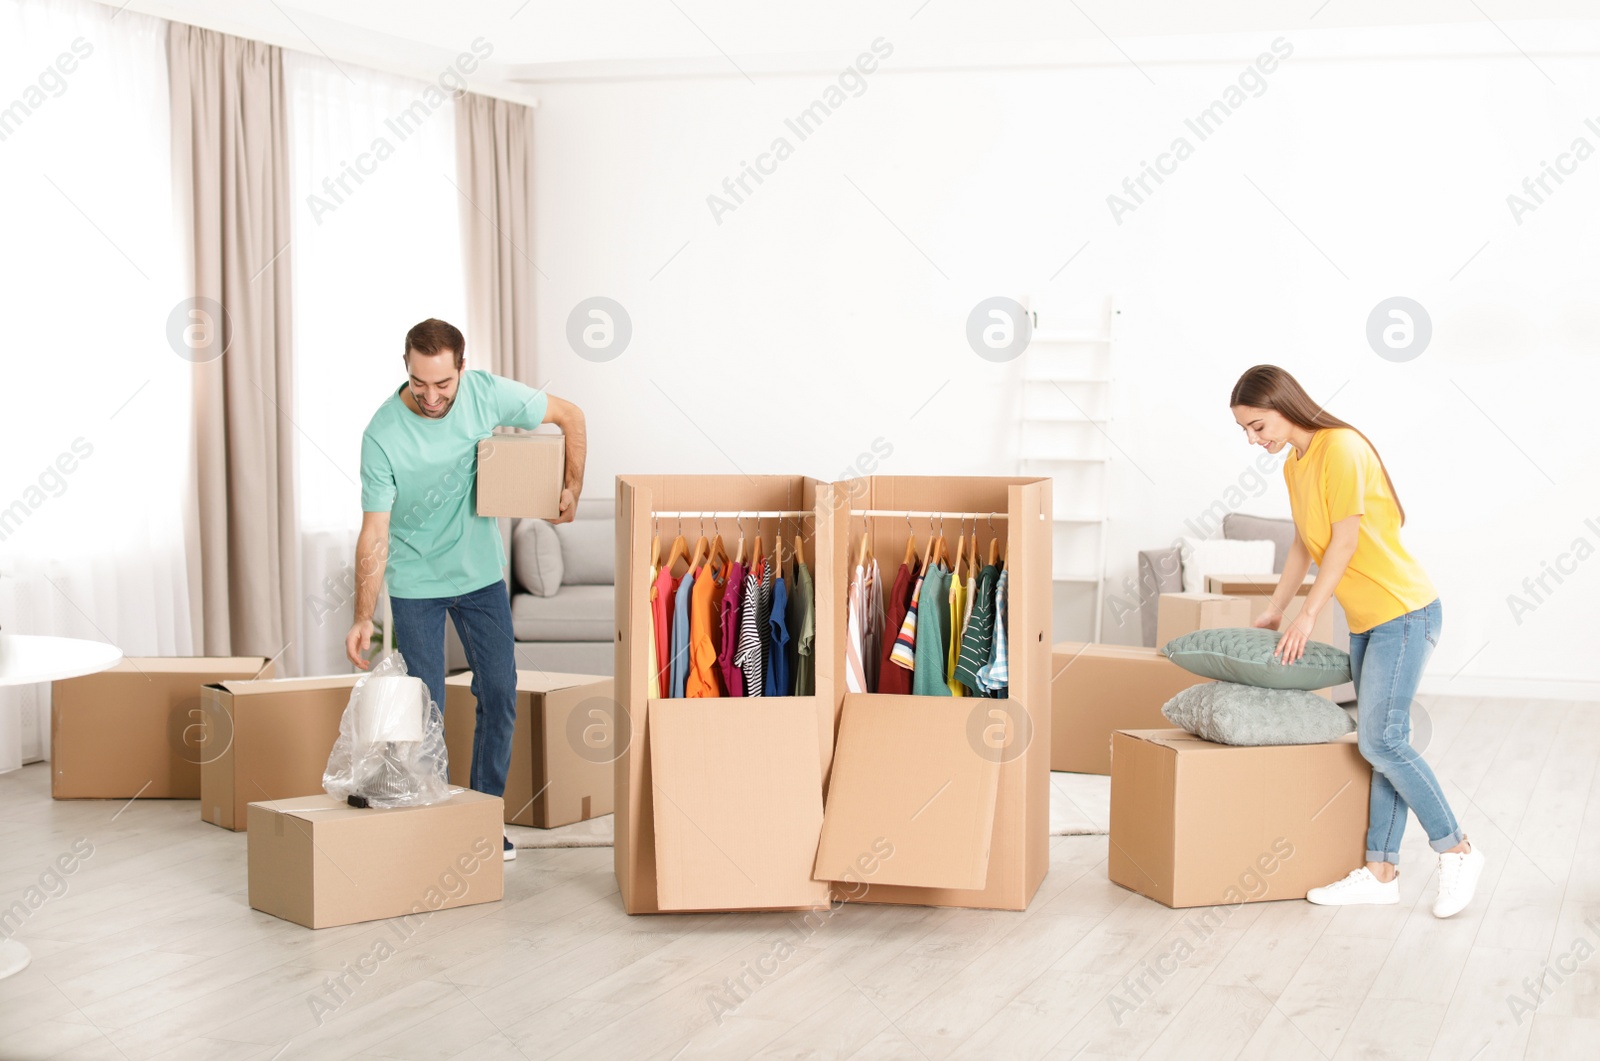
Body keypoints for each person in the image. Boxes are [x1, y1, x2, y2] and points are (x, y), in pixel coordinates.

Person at [1230, 365, 1483, 917]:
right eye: (1246, 432)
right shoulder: (1295, 466)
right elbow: (1305, 542)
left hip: (1404, 612)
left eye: (1256, 425)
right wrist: (1276, 608)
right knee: (1379, 744)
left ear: (1282, 404)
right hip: (1371, 621)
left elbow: (1343, 543)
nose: (1254, 439)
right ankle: (1381, 871)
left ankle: (1457, 849)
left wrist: (1307, 617)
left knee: (1382, 742)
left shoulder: (1339, 447)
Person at [345, 319, 586, 862]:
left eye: (443, 384)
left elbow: (571, 417)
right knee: (424, 704)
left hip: (479, 575)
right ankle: (440, 819)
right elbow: (375, 531)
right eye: (418, 383)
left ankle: (482, 816)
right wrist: (363, 615)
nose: (431, 397)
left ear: (462, 368)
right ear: (407, 369)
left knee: (499, 693)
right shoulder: (381, 434)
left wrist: (572, 486)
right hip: (415, 583)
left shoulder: (487, 393)